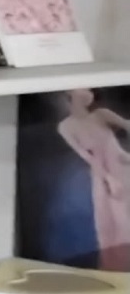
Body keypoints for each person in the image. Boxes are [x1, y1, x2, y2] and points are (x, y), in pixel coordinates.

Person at [57, 89, 130, 269]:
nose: (83, 101)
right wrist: (109, 178)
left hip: (122, 167)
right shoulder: (66, 126)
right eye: (78, 97)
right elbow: (86, 156)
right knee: (107, 222)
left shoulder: (101, 115)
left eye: (86, 97)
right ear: (70, 99)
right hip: (102, 174)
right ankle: (117, 267)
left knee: (124, 218)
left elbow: (126, 126)